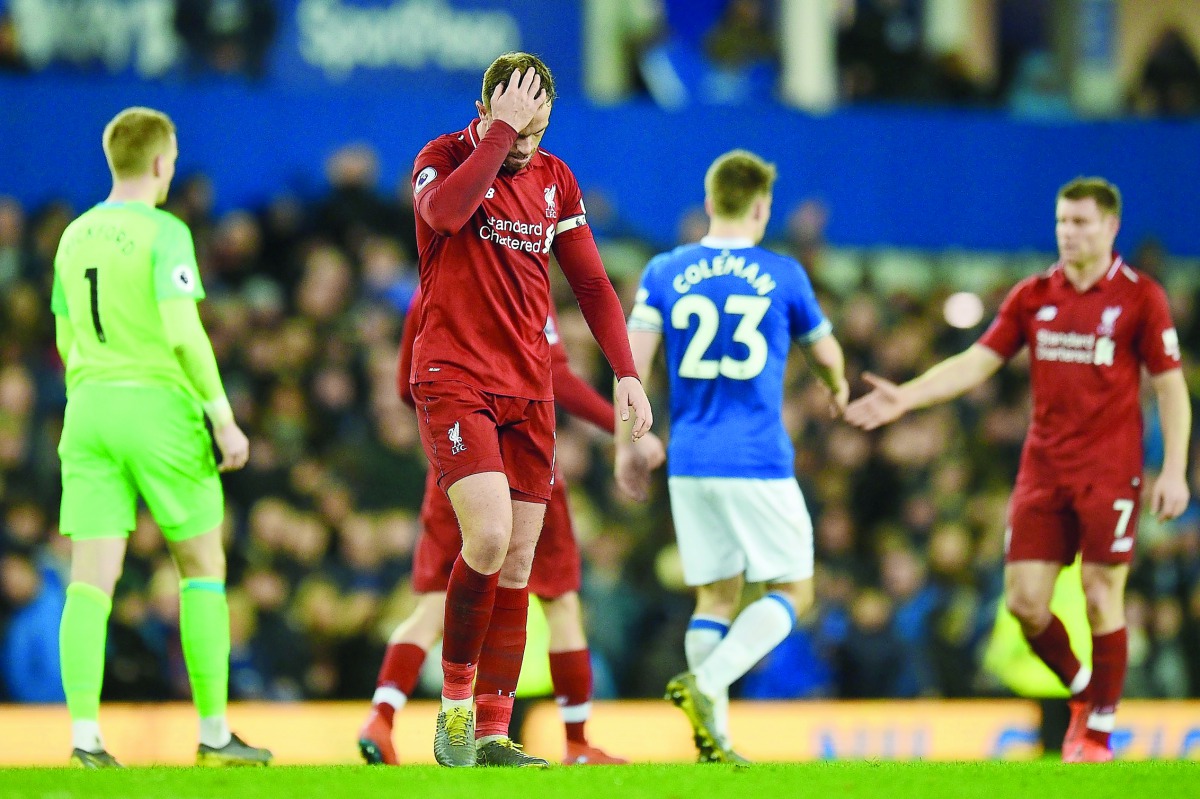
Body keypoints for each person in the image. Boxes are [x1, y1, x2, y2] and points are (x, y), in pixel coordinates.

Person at [845, 177, 1190, 763]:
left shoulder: (1140, 298)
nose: (1068, 232)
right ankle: (1087, 691)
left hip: (1110, 471)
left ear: (1110, 228)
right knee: (1025, 603)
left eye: (1081, 222)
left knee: (1100, 592)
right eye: (1061, 221)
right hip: (1044, 470)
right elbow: (979, 360)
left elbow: (1170, 388)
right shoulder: (1033, 295)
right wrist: (909, 396)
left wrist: (1175, 468)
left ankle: (1097, 733)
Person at [408, 52, 652, 768]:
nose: (523, 145)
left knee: (516, 562)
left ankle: (491, 730)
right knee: (485, 537)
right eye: (513, 129)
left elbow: (594, 286)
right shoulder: (445, 157)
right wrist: (496, 137)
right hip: (455, 376)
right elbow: (445, 214)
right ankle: (452, 710)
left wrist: (626, 374)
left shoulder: (556, 177)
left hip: (528, 389)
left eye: (535, 131)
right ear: (485, 110)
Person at [51, 107, 272, 768]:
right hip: (158, 408)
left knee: (90, 581)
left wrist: (97, 388)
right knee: (202, 567)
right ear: (159, 163)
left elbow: (65, 339)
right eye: (171, 158)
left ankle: (85, 739)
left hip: (87, 408)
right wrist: (222, 415)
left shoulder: (73, 235)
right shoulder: (165, 232)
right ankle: (212, 733)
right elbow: (183, 332)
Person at [357, 289, 662, 766]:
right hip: (526, 470)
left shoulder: (429, 292)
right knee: (559, 602)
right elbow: (557, 375)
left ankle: (382, 716)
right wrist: (622, 428)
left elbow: (404, 386)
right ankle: (576, 742)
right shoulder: (523, 284)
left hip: (455, 466)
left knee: (437, 601)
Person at [615, 149, 849, 762]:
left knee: (716, 595)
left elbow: (629, 366)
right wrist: (838, 385)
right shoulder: (784, 274)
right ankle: (709, 685)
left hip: (689, 458)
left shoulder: (665, 271)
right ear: (763, 208)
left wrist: (628, 445)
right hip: (756, 457)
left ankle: (711, 740)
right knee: (795, 589)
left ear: (710, 201)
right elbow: (825, 354)